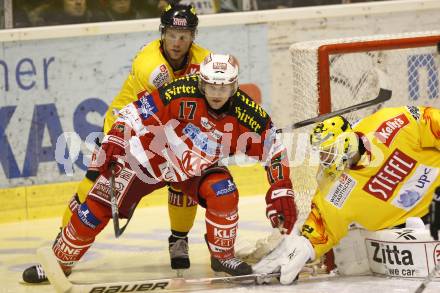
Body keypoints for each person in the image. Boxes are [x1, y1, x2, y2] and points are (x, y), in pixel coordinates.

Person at [30, 53, 298, 279]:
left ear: (234, 86)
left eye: (224, 87)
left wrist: (282, 187)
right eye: (212, 86)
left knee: (224, 191)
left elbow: (274, 148)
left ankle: (222, 256)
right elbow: (134, 112)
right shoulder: (179, 90)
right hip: (148, 158)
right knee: (97, 206)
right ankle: (59, 262)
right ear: (202, 83)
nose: (217, 94)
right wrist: (115, 138)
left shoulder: (247, 113)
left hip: (194, 168)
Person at [22, 3, 211, 283]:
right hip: (125, 130)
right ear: (162, 33)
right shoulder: (151, 67)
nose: (177, 42)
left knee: (185, 177)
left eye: (184, 36)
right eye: (171, 34)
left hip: (169, 132)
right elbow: (170, 106)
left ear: (193, 36)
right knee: (91, 187)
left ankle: (178, 239)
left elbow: (215, 97)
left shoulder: (205, 60)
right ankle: (61, 250)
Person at [253, 106, 440, 284]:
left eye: (329, 152)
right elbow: (324, 225)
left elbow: (431, 122)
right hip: (412, 227)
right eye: (322, 155)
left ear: (346, 142)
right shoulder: (334, 187)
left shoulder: (390, 125)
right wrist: (303, 246)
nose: (326, 161)